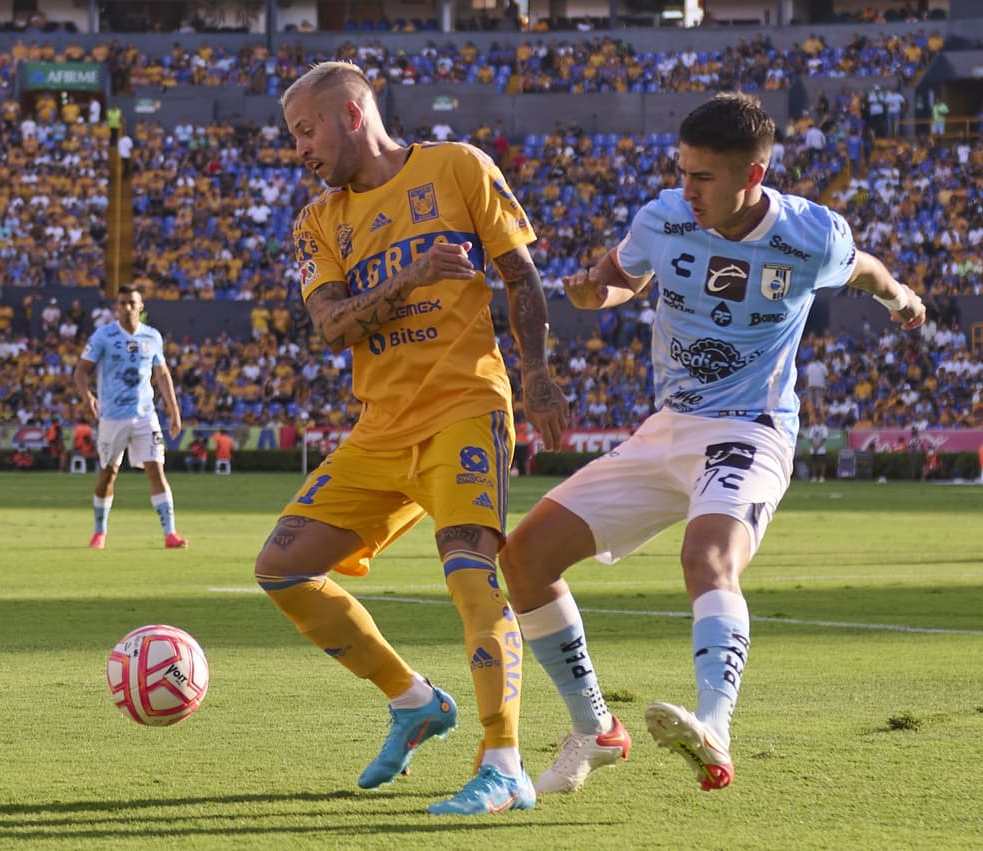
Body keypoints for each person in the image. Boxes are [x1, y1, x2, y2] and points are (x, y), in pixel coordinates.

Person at [497, 93, 926, 796]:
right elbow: (619, 279)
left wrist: (899, 297)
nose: (686, 189)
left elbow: (866, 270)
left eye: (703, 177)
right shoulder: (663, 218)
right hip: (668, 428)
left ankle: (715, 725)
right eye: (683, 170)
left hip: (749, 427)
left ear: (751, 175)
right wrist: (590, 296)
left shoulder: (810, 234)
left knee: (707, 555)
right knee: (525, 557)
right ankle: (597, 728)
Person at [255, 61, 567, 816]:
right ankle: (413, 699)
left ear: (354, 114)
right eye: (293, 135)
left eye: (307, 130)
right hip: (380, 428)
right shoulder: (318, 222)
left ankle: (504, 763)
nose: (301, 148)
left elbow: (520, 274)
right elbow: (332, 325)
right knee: (282, 568)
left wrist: (536, 373)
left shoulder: (458, 167)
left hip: (465, 407)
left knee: (469, 573)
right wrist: (412, 275)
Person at [74, 286, 188, 550]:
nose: (126, 307)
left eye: (131, 303)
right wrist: (87, 396)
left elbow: (162, 374)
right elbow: (81, 371)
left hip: (145, 416)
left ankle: (170, 533)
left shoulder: (152, 336)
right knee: (108, 474)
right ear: (116, 306)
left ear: (141, 306)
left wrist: (173, 409)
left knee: (156, 470)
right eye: (122, 303)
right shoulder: (104, 336)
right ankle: (99, 531)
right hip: (112, 417)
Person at [808, 415, 829, 483]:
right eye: (816, 419)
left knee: (822, 463)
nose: (817, 420)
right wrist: (814, 447)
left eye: (819, 419)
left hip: (821, 449)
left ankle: (822, 477)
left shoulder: (824, 428)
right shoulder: (813, 428)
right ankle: (814, 477)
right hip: (813, 449)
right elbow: (810, 438)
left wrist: (818, 447)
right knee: (814, 463)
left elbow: (824, 438)